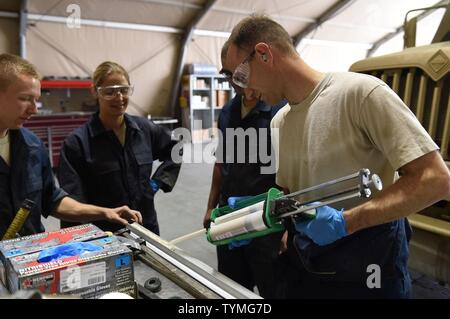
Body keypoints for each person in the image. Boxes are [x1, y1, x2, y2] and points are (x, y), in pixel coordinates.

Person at [224, 15, 450, 298]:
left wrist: (346, 222)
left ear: (264, 54)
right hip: (313, 264)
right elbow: (291, 190)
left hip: (370, 266)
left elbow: (435, 179)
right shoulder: (279, 121)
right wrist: (259, 215)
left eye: (241, 77)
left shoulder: (360, 94)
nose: (244, 90)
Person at [0, 53, 142, 239]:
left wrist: (104, 212)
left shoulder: (33, 147)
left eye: (36, 99)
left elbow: (51, 200)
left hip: (28, 259)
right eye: (25, 98)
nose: (34, 109)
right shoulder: (76, 142)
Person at [203, 41, 286, 298]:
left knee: (273, 288)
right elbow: (221, 163)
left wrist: (287, 228)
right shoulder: (227, 112)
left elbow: (293, 173)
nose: (244, 87)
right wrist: (210, 206)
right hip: (229, 217)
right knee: (232, 288)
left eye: (246, 77)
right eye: (234, 79)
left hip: (267, 222)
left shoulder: (280, 110)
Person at [58, 61, 180, 234]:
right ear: (95, 92)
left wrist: (157, 182)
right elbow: (72, 203)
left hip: (146, 227)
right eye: (110, 92)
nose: (119, 97)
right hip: (104, 234)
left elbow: (176, 149)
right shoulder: (77, 144)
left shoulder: (144, 130)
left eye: (123, 90)